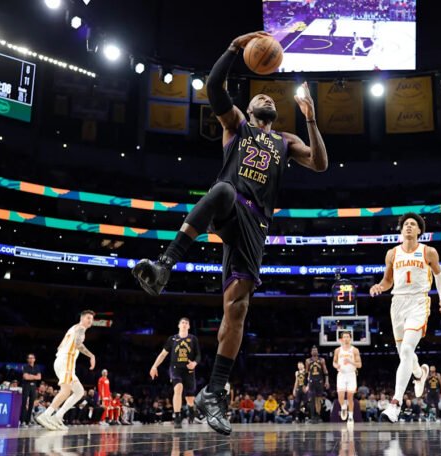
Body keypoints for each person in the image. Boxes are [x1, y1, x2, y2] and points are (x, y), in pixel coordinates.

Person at [132, 30, 328, 436]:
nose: (266, 98)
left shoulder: (285, 140)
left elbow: (320, 164)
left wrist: (310, 117)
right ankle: (166, 265)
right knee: (222, 189)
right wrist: (234, 48)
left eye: (271, 98)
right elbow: (214, 88)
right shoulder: (237, 126)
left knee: (237, 309)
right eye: (260, 96)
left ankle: (214, 392)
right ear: (250, 108)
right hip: (230, 204)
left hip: (256, 226)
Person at [370, 213, 441, 422]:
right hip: (397, 304)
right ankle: (419, 373)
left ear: (419, 230)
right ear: (401, 229)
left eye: (413, 224)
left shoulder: (428, 251)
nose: (408, 226)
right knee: (404, 355)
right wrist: (379, 286)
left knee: (406, 350)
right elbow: (388, 281)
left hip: (418, 302)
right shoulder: (392, 253)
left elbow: (439, 276)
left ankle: (395, 405)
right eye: (405, 224)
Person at [35, 310, 96, 431]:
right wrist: (91, 356)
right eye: (88, 318)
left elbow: (59, 347)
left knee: (79, 391)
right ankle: (46, 415)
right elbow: (78, 344)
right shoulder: (81, 328)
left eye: (92, 319)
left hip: (63, 361)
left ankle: (58, 416)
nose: (90, 321)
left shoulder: (73, 328)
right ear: (82, 318)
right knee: (66, 391)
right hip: (66, 361)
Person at [149, 317, 201, 429]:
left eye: (186, 323)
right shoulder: (172, 339)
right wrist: (154, 366)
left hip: (189, 370)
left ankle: (191, 409)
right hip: (175, 368)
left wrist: (194, 363)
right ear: (179, 325)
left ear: (189, 326)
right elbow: (163, 354)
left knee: (190, 399)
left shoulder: (193, 339)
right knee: (178, 388)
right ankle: (177, 417)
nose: (184, 324)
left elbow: (198, 355)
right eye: (182, 322)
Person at [333, 331, 362, 423]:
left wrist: (350, 361)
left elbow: (359, 365)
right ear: (342, 339)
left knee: (350, 397)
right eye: (344, 337)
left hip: (351, 375)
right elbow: (334, 362)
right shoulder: (338, 350)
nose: (346, 338)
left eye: (347, 337)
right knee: (340, 396)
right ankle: (343, 407)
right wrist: (336, 365)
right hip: (341, 374)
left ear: (350, 338)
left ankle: (350, 416)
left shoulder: (355, 350)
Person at [306, 346, 330, 423]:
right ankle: (312, 416)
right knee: (311, 399)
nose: (314, 351)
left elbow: (325, 371)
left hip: (319, 381)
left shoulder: (322, 360)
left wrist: (327, 381)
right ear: (311, 352)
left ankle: (318, 415)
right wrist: (306, 384)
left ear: (317, 351)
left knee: (318, 399)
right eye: (313, 350)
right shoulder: (308, 361)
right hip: (311, 382)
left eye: (315, 350)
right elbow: (307, 373)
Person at [20, 353, 41, 426]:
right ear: (27, 359)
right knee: (24, 403)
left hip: (33, 387)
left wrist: (30, 376)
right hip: (26, 386)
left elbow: (39, 377)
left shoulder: (37, 367)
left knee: (31, 404)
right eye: (29, 358)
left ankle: (28, 421)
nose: (31, 359)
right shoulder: (25, 367)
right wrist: (34, 376)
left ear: (34, 359)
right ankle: (22, 421)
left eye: (32, 358)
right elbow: (25, 377)